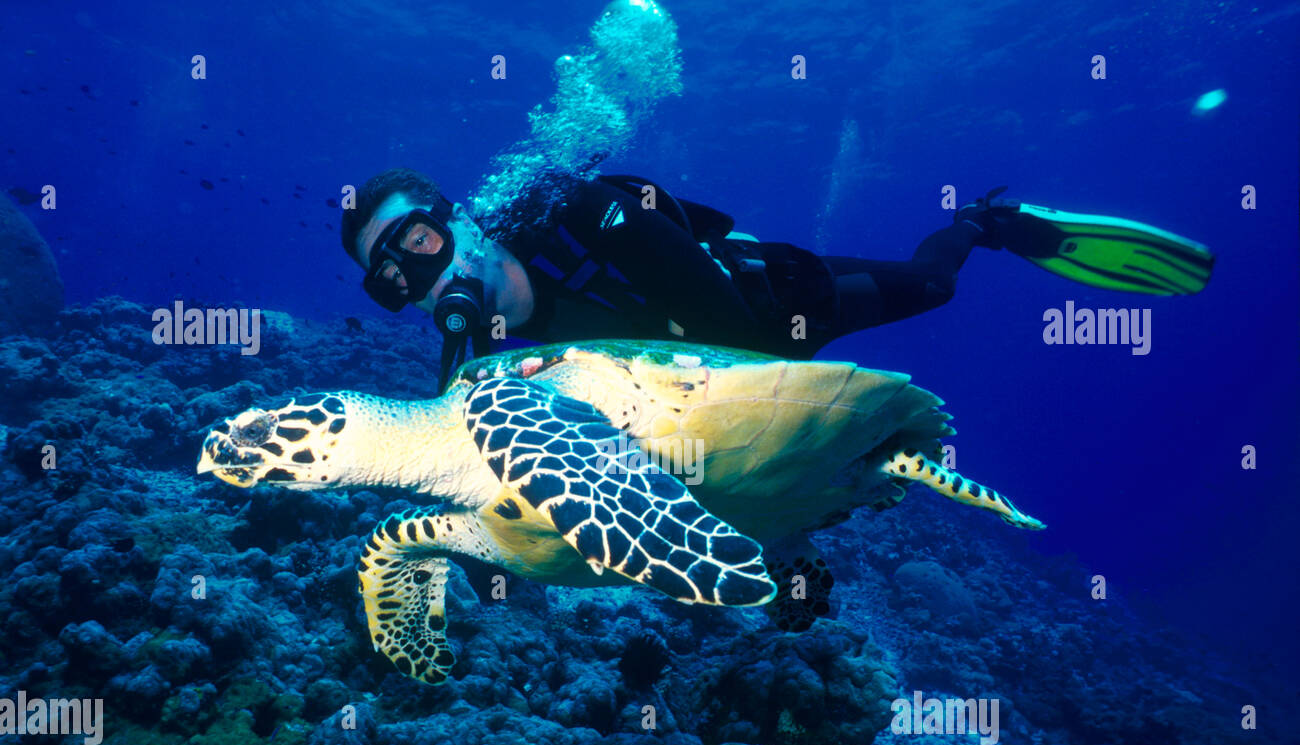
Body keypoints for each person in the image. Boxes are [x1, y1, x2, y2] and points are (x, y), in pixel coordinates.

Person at [340, 170, 1214, 389]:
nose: (414, 275)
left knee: (931, 285)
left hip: (774, 304)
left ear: (460, 219)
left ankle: (985, 224)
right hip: (709, 361)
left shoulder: (573, 210)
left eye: (415, 239)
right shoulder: (477, 350)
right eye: (390, 278)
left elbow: (740, 348)